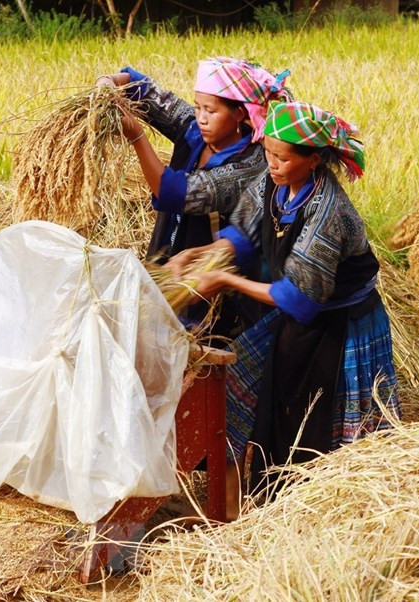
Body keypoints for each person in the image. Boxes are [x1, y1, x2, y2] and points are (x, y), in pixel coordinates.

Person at [168, 100, 402, 519]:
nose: (272, 164)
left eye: (282, 157)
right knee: (253, 396)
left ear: (313, 160)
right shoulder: (272, 183)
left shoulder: (327, 210)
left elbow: (300, 299)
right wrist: (199, 255)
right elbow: (243, 237)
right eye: (268, 154)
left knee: (318, 419)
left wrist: (223, 280)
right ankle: (247, 504)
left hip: (340, 323)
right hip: (298, 316)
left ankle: (310, 510)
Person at [95, 57, 291, 336]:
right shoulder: (195, 130)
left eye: (210, 110)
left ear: (239, 114)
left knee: (201, 341)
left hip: (212, 284)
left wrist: (137, 136)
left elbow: (173, 192)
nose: (200, 117)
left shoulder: (249, 165)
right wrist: (105, 87)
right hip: (173, 256)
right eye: (197, 106)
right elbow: (139, 86)